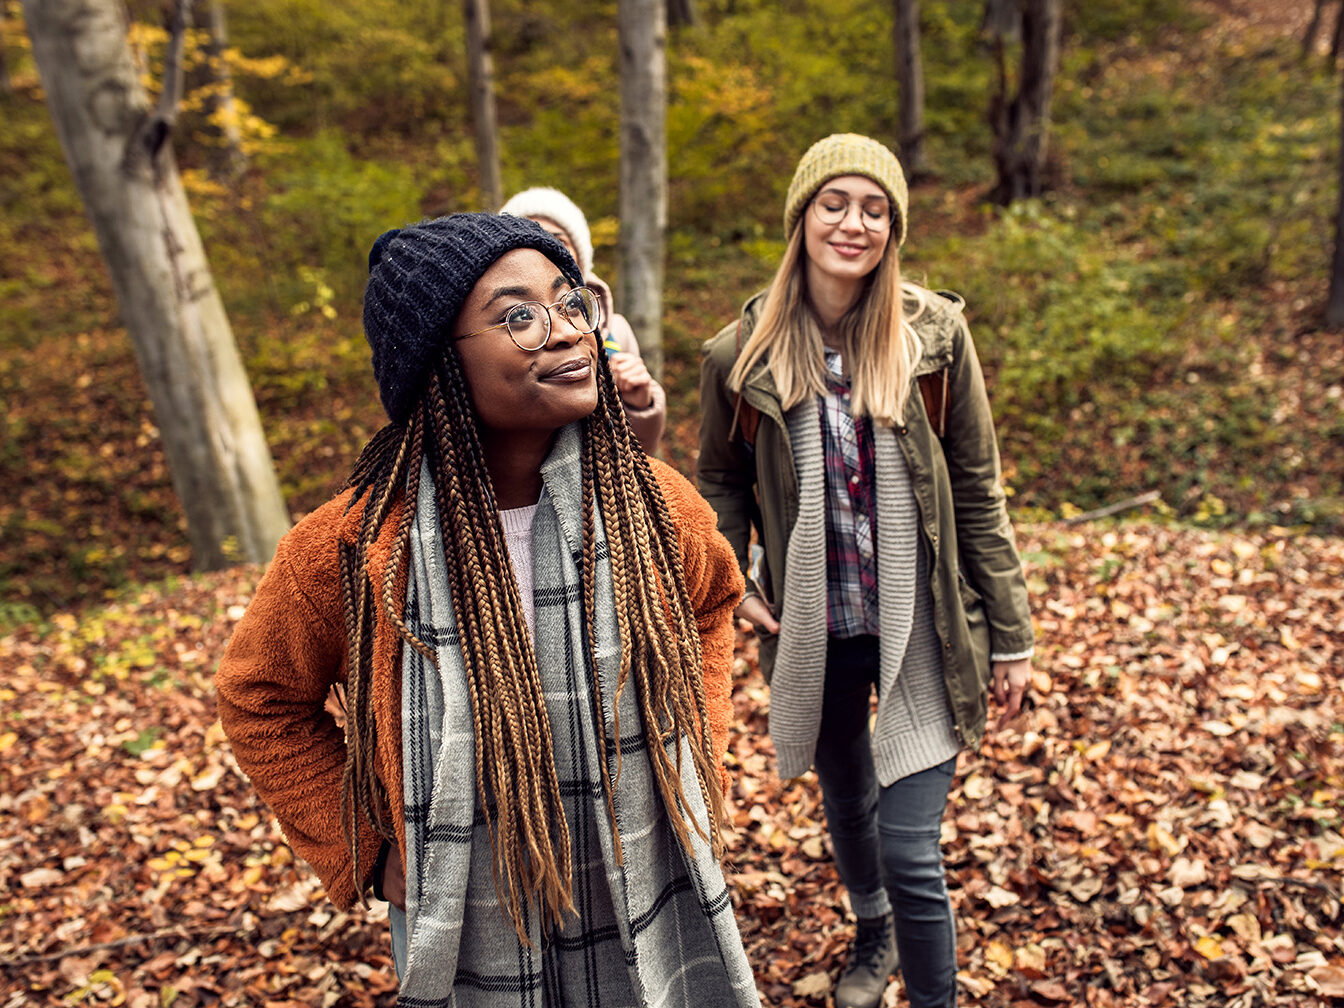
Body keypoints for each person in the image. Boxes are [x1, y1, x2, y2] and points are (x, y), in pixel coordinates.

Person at [217, 213, 758, 1006]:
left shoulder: (652, 504)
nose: (568, 333)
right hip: (463, 905)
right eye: (518, 316)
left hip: (645, 875)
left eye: (571, 303)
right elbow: (257, 697)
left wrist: (695, 758)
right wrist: (364, 847)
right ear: (438, 361)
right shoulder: (350, 546)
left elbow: (711, 602)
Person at [697, 134, 1035, 1008]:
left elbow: (978, 491)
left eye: (874, 209)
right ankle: (870, 922)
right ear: (801, 218)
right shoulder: (740, 355)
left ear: (893, 228)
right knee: (849, 805)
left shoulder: (935, 340)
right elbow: (721, 484)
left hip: (923, 624)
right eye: (835, 204)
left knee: (911, 845)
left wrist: (1013, 637)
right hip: (819, 624)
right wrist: (733, 579)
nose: (854, 223)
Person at [500, 187, 666, 453]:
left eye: (558, 239)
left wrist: (639, 404)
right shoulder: (498, 329)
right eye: (529, 238)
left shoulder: (617, 330)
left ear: (580, 254)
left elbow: (643, 453)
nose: (544, 248)